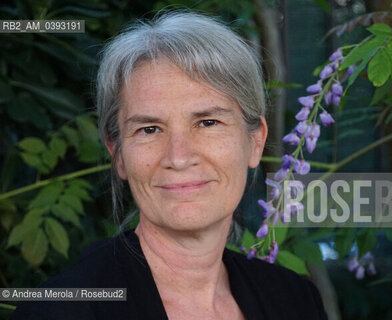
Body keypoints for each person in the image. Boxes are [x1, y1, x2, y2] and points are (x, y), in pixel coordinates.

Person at [10, 11, 328, 320]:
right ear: (118, 153)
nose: (178, 157)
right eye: (149, 129)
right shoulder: (59, 310)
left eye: (207, 122)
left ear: (255, 141)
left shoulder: (295, 300)